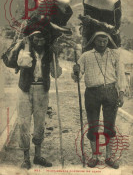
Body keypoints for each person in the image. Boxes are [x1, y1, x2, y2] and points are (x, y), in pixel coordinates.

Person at [5, 31, 62, 169]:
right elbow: (17, 63)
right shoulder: (25, 49)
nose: (39, 40)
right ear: (32, 38)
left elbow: (56, 74)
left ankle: (37, 155)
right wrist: (25, 46)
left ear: (46, 39)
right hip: (25, 88)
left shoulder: (49, 52)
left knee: (40, 122)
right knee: (23, 122)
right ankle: (26, 158)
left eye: (42, 37)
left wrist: (56, 56)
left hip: (42, 89)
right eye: (36, 37)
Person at [72, 31, 125, 169]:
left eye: (105, 41)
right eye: (99, 41)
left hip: (110, 92)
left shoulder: (114, 55)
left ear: (108, 41)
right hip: (92, 93)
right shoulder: (85, 56)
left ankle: (109, 156)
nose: (102, 44)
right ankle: (95, 156)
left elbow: (120, 75)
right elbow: (77, 77)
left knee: (109, 125)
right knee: (93, 125)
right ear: (94, 41)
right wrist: (75, 71)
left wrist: (121, 93)